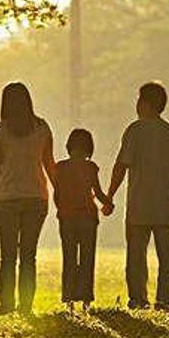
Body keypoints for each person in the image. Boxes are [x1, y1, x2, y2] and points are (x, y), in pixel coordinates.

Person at [107, 82, 169, 312]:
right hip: (166, 207)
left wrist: (110, 195)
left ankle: (138, 299)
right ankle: (164, 300)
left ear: (144, 103)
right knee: (167, 259)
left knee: (136, 258)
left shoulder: (135, 130)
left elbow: (121, 166)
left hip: (139, 207)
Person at [0, 82, 56, 315]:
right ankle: (26, 305)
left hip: (7, 197)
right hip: (37, 197)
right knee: (29, 256)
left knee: (7, 257)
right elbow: (49, 165)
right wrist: (60, 192)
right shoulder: (42, 128)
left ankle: (6, 305)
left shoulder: (0, 131)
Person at [53, 128, 113, 313]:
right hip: (88, 218)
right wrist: (109, 204)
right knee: (87, 259)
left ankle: (69, 299)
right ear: (89, 147)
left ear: (69, 146)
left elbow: (57, 194)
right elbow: (97, 192)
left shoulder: (60, 167)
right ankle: (86, 300)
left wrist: (62, 209)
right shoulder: (90, 167)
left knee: (69, 258)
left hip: (67, 219)